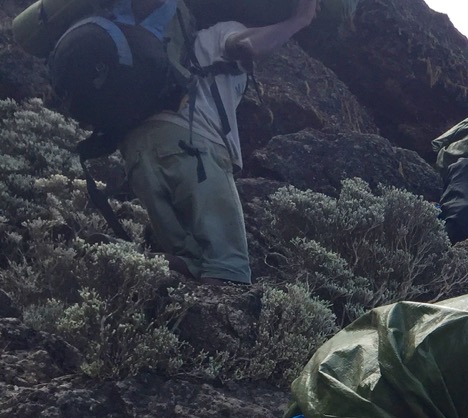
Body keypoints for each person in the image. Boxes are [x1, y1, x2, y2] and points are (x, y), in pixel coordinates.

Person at [118, 0, 318, 284]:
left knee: (191, 262)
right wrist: (297, 21)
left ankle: (121, 260)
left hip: (138, 155)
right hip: (191, 147)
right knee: (229, 268)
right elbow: (248, 47)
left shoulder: (169, 47)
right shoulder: (222, 32)